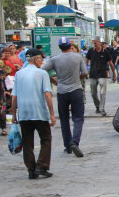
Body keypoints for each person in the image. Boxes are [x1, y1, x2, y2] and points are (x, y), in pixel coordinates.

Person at [12, 48, 56, 179]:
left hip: (24, 113)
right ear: (36, 59)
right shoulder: (42, 73)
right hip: (39, 112)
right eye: (41, 59)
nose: (42, 61)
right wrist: (52, 114)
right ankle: (42, 166)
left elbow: (14, 96)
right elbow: (47, 94)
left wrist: (14, 114)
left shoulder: (19, 74)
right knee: (46, 139)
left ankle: (31, 169)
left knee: (27, 142)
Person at [43, 37, 88, 157]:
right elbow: (84, 73)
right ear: (70, 45)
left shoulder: (54, 59)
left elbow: (43, 70)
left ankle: (67, 145)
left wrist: (53, 79)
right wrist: (78, 79)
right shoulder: (78, 57)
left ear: (59, 47)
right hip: (76, 90)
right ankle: (75, 141)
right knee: (78, 118)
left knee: (64, 119)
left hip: (62, 91)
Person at [86, 37, 115, 116]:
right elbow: (86, 60)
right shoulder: (91, 51)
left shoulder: (106, 52)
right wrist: (85, 71)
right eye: (93, 43)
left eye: (95, 42)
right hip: (92, 75)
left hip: (102, 75)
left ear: (100, 43)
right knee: (93, 93)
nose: (94, 44)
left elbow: (110, 63)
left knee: (102, 92)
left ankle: (102, 109)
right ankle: (97, 106)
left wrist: (114, 74)